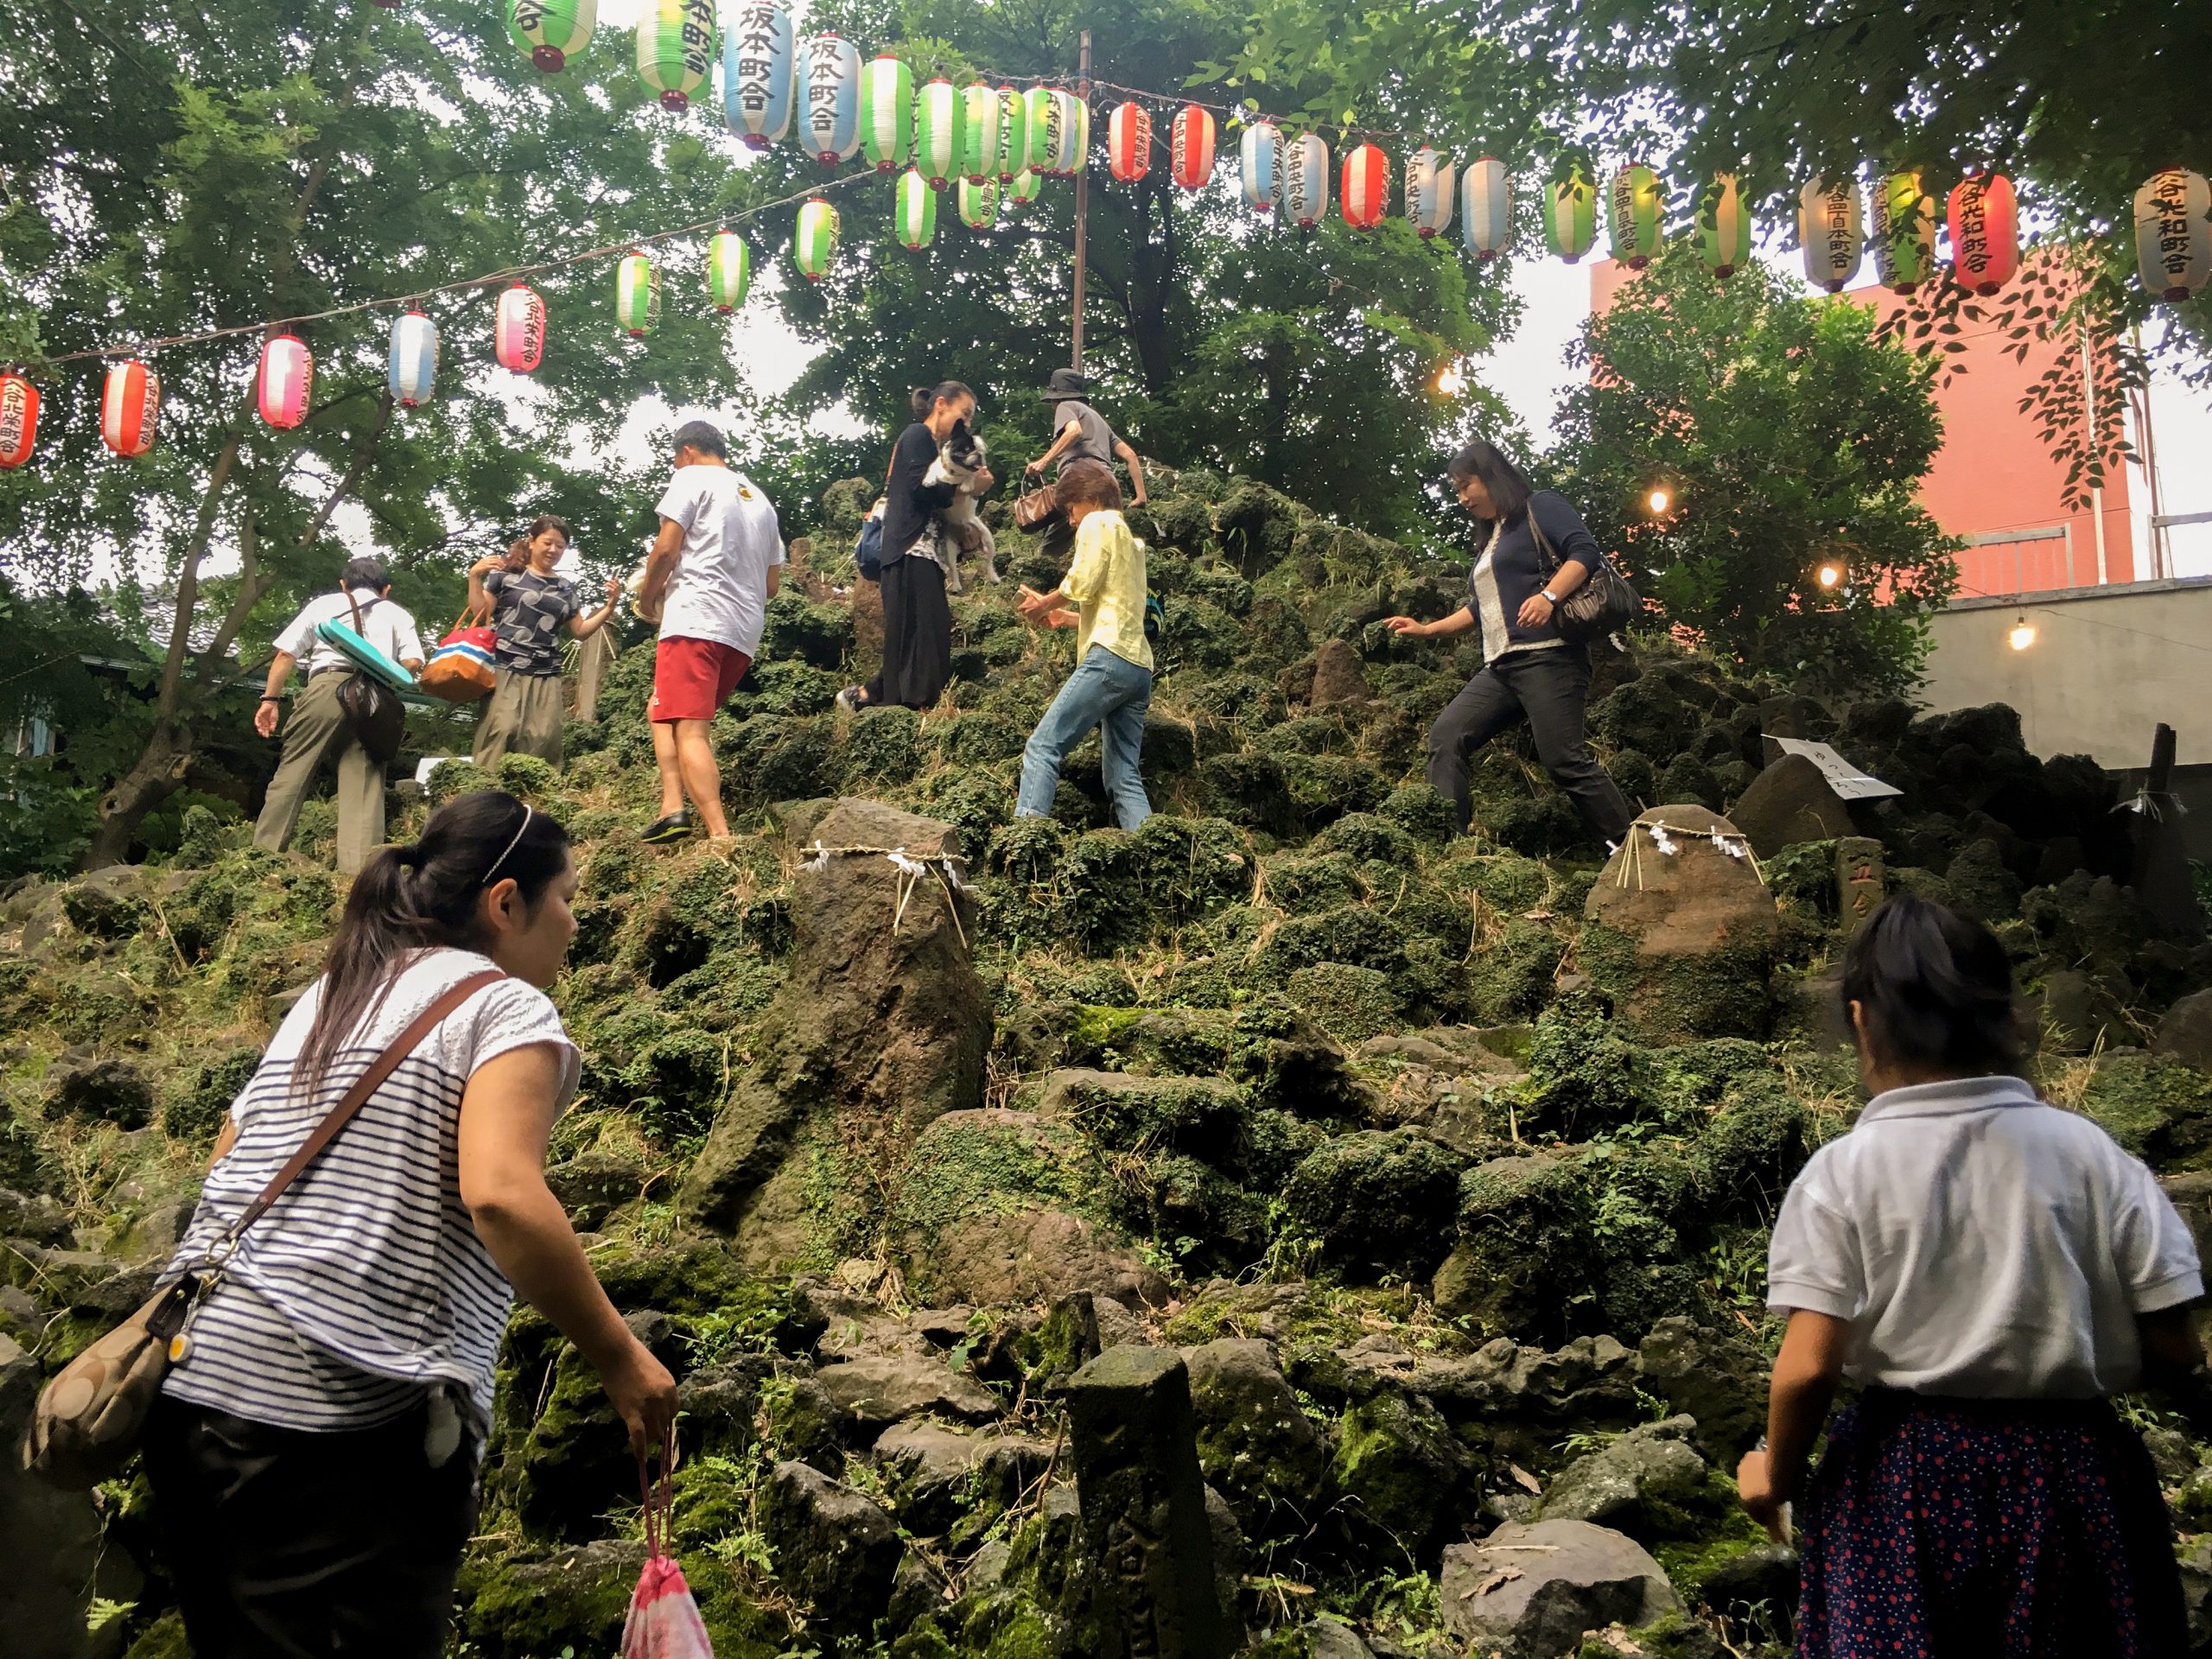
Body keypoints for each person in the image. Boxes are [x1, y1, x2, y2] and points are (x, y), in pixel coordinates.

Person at [144, 791, 678, 1656]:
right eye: (569, 896)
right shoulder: (504, 1007)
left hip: (193, 1389)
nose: (577, 923)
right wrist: (622, 1361)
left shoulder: (331, 993)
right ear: (506, 902)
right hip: (339, 1419)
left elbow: (227, 1158)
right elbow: (501, 1193)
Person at [1738, 894, 2199, 1655]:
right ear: (2007, 1018)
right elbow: (2178, 1347)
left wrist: (1774, 1475)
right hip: (2078, 1476)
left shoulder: (1842, 1174)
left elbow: (1808, 1368)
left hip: (1903, 1481)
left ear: (1859, 1020)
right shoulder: (2094, 1158)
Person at [1383, 440, 1633, 851]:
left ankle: (1628, 848)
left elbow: (1585, 553)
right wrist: (1427, 630)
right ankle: (1453, 849)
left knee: (1564, 760)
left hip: (1550, 657)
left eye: (1467, 485)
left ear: (1492, 476)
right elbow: (1480, 608)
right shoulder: (1491, 538)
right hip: (1501, 667)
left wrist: (1549, 596)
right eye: (1457, 490)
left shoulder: (1540, 506)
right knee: (1447, 737)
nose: (1462, 498)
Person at [634, 419, 783, 845]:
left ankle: (720, 837)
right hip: (742, 631)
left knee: (690, 729)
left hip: (696, 619)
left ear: (687, 453)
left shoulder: (690, 478)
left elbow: (666, 548)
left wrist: (648, 600)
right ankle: (672, 806)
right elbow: (771, 585)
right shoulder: (761, 501)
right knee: (662, 709)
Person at [252, 556, 427, 875]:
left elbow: (285, 654)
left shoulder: (324, 605)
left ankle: (262, 861)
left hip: (326, 687)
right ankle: (358, 878)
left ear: (343, 584)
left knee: (294, 771)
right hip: (374, 699)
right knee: (363, 784)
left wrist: (270, 700)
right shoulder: (397, 613)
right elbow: (414, 662)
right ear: (385, 589)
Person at [836, 381, 992, 715]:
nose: (965, 422)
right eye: (963, 413)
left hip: (925, 554)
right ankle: (901, 706)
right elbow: (920, 492)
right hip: (908, 550)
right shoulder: (917, 437)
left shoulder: (934, 448)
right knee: (918, 636)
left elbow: (934, 505)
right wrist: (970, 485)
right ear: (940, 405)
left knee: (927, 634)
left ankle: (870, 697)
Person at [1013, 460, 1152, 830]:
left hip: (1107, 661)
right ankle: (1150, 848)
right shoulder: (1132, 543)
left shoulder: (1097, 522)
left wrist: (1045, 603)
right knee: (1123, 776)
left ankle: (1025, 841)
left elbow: (1083, 582)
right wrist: (1067, 618)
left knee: (1043, 747)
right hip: (1137, 668)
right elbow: (1121, 606)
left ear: (1089, 499)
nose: (1072, 521)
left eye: (1071, 510)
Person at [466, 514, 622, 770]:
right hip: (506, 667)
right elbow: (481, 615)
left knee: (543, 739)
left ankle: (533, 800)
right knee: (501, 730)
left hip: (547, 672)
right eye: (548, 543)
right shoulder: (506, 576)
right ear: (531, 541)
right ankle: (485, 796)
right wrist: (474, 577)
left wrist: (609, 606)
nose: (553, 550)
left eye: (560, 546)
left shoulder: (566, 588)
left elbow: (580, 631)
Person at [1022, 367, 1147, 565]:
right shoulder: (1099, 420)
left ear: (1056, 398)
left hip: (1080, 480)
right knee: (1108, 546)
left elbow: (1074, 431)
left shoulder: (1066, 407)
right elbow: (1130, 456)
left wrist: (1043, 461)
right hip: (1108, 485)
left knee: (1050, 549)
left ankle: (1039, 582)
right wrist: (1141, 495)